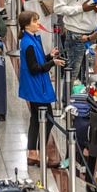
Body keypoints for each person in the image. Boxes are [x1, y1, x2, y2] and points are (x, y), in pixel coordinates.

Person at [18, 11, 65, 166]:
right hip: (37, 87)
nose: (38, 23)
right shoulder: (29, 44)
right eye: (35, 21)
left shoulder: (31, 40)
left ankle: (33, 152)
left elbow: (38, 61)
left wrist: (49, 56)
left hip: (35, 86)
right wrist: (53, 63)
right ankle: (39, 152)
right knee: (47, 119)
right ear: (26, 25)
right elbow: (35, 68)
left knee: (35, 119)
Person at [53, 0, 97, 81]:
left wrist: (95, 8)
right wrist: (81, 9)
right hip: (76, 34)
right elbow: (57, 8)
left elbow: (87, 3)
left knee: (87, 72)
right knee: (73, 72)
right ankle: (66, 99)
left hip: (91, 33)